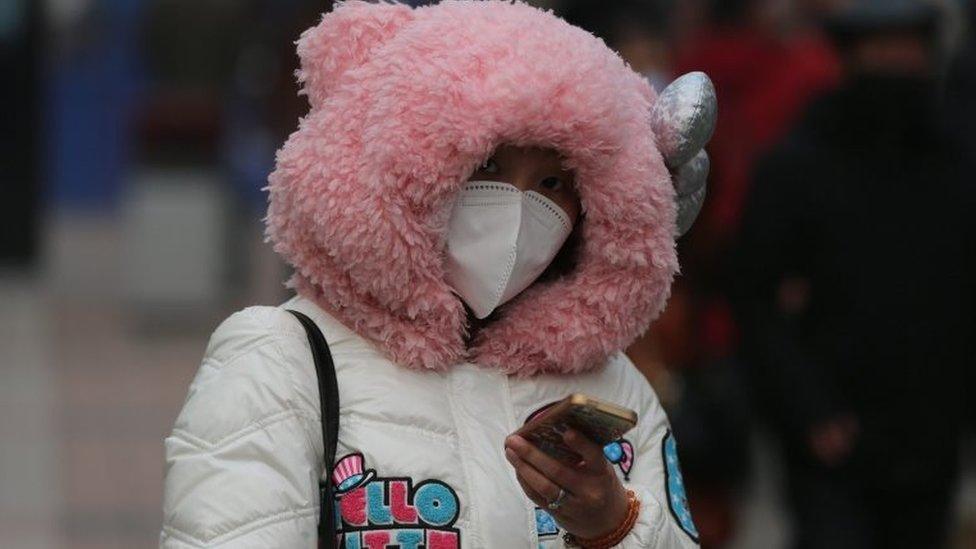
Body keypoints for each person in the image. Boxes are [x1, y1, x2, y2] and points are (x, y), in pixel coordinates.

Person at [161, 2, 715, 547]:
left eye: (551, 184)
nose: (517, 210)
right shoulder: (281, 361)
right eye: (488, 167)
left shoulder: (614, 384)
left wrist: (615, 528)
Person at [732, 1, 976, 547]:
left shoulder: (954, 164)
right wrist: (808, 411)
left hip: (930, 439)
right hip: (832, 443)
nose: (895, 64)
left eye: (907, 50)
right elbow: (755, 298)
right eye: (879, 51)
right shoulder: (796, 166)